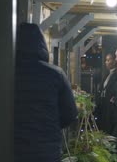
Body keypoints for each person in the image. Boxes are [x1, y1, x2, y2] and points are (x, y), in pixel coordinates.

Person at [14, 23, 78, 162]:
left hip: (14, 149)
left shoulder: (7, 73)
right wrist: (51, 124)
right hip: (47, 150)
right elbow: (71, 113)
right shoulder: (56, 74)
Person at [96, 53, 117, 134]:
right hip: (104, 103)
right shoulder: (107, 74)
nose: (106, 62)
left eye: (108, 60)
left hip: (110, 104)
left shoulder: (116, 74)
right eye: (106, 60)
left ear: (114, 61)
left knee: (108, 125)